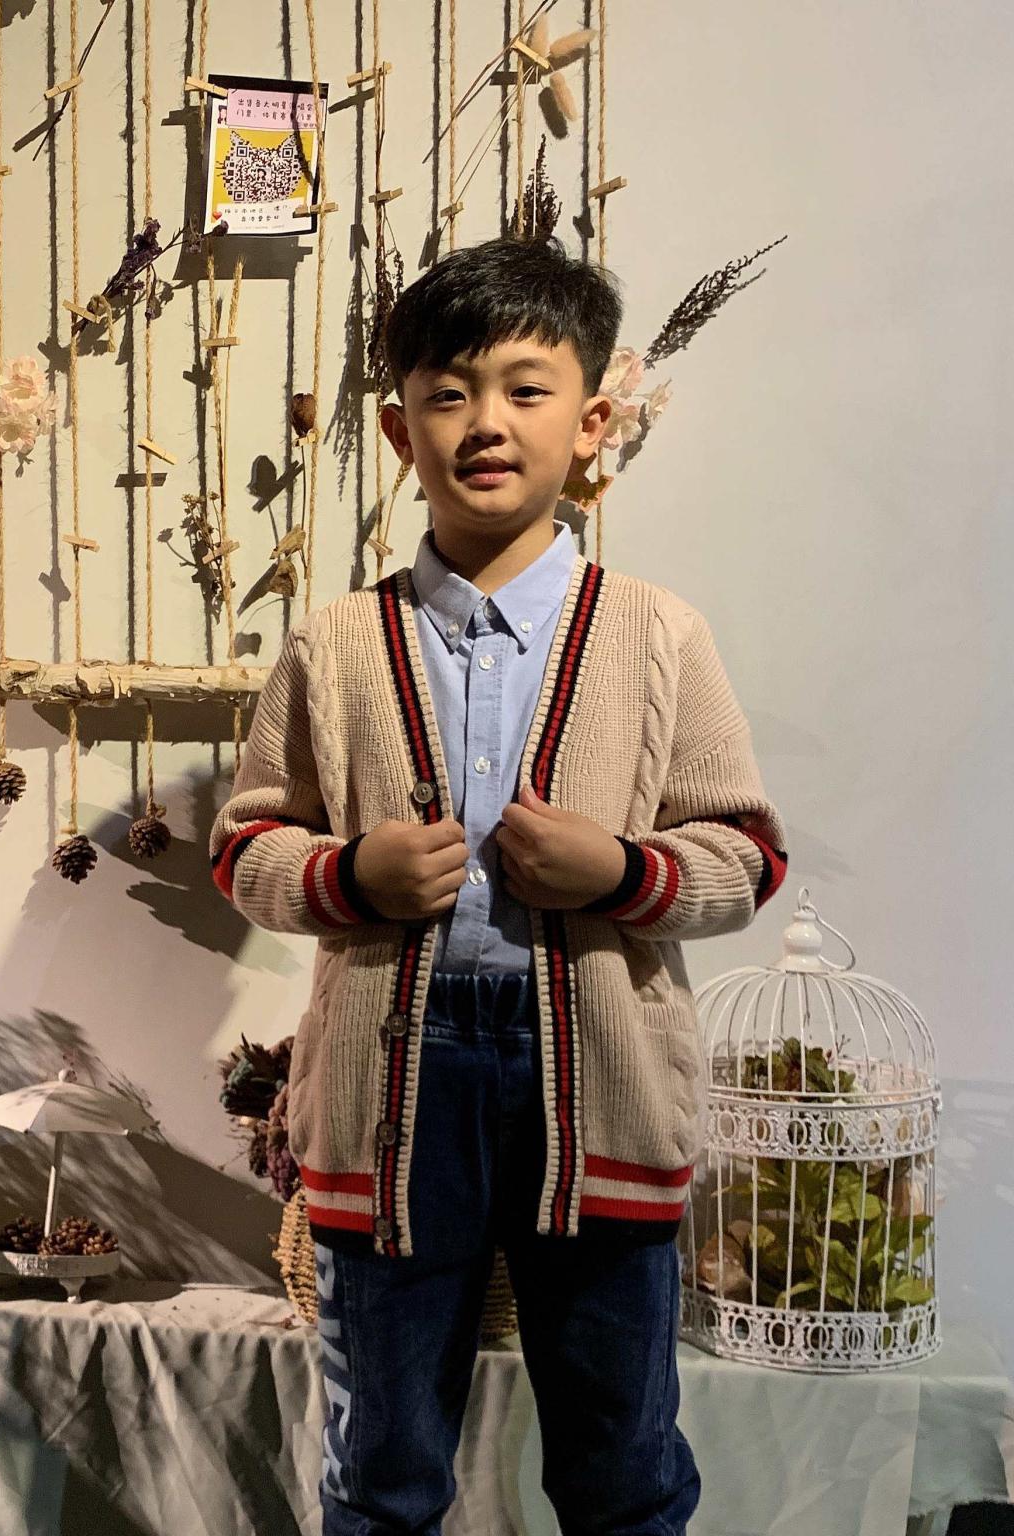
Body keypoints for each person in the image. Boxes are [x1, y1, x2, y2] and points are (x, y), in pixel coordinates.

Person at [209, 234, 789, 1535]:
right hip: (389, 1094)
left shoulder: (658, 635)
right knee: (382, 1470)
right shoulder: (335, 645)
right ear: (399, 431)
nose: (486, 421)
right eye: (447, 392)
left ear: (592, 423)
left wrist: (622, 870)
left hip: (603, 1083)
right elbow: (246, 847)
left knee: (623, 1465)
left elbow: (745, 855)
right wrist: (348, 875)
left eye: (527, 389)